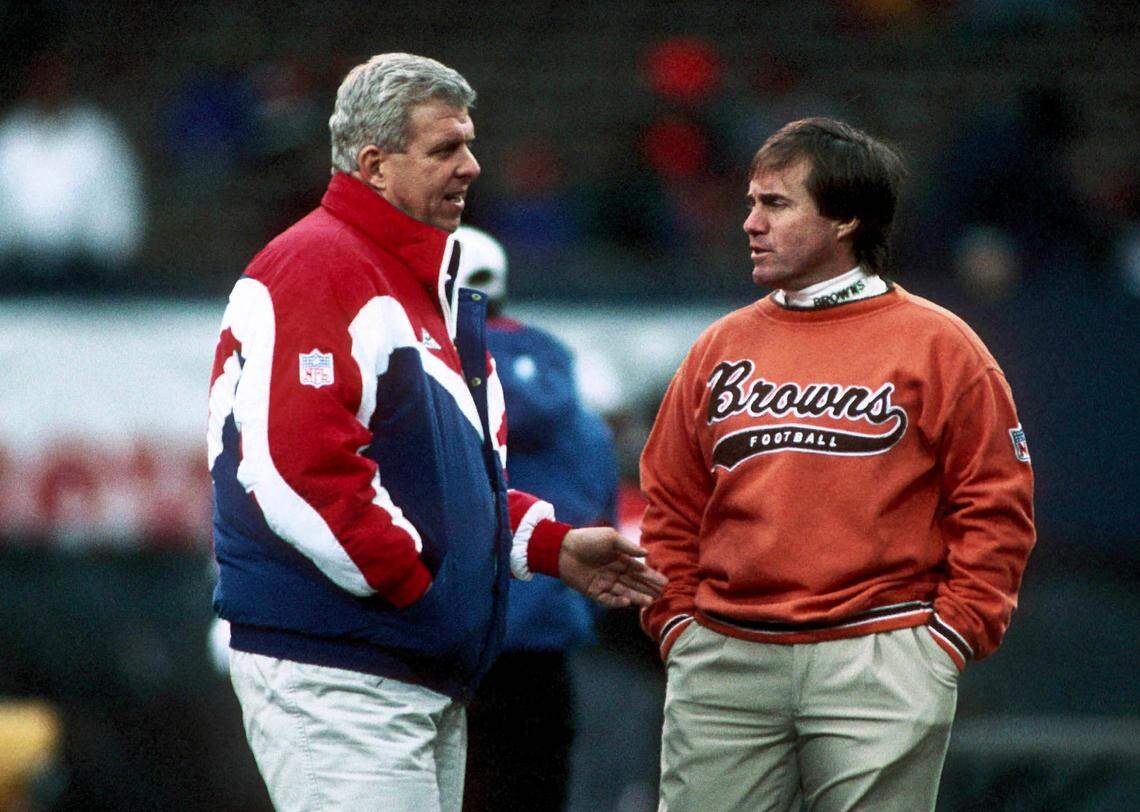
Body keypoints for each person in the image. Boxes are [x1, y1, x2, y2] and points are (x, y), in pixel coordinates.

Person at [207, 53, 664, 812]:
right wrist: (419, 594)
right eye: (446, 148)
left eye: (470, 144)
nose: (471, 167)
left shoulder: (414, 278)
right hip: (347, 663)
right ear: (374, 163)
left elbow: (442, 480)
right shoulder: (319, 266)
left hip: (408, 665)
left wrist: (547, 546)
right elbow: (298, 469)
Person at [639, 117, 1035, 811]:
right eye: (751, 203)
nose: (750, 223)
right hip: (725, 658)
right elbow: (670, 501)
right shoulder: (719, 345)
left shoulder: (941, 345)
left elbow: (997, 502)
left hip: (881, 654)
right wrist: (677, 622)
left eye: (776, 204)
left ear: (847, 218)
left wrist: (949, 637)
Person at [452, 226, 619, 811]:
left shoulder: (426, 377)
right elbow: (603, 516)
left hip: (454, 643)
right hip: (549, 643)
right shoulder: (579, 411)